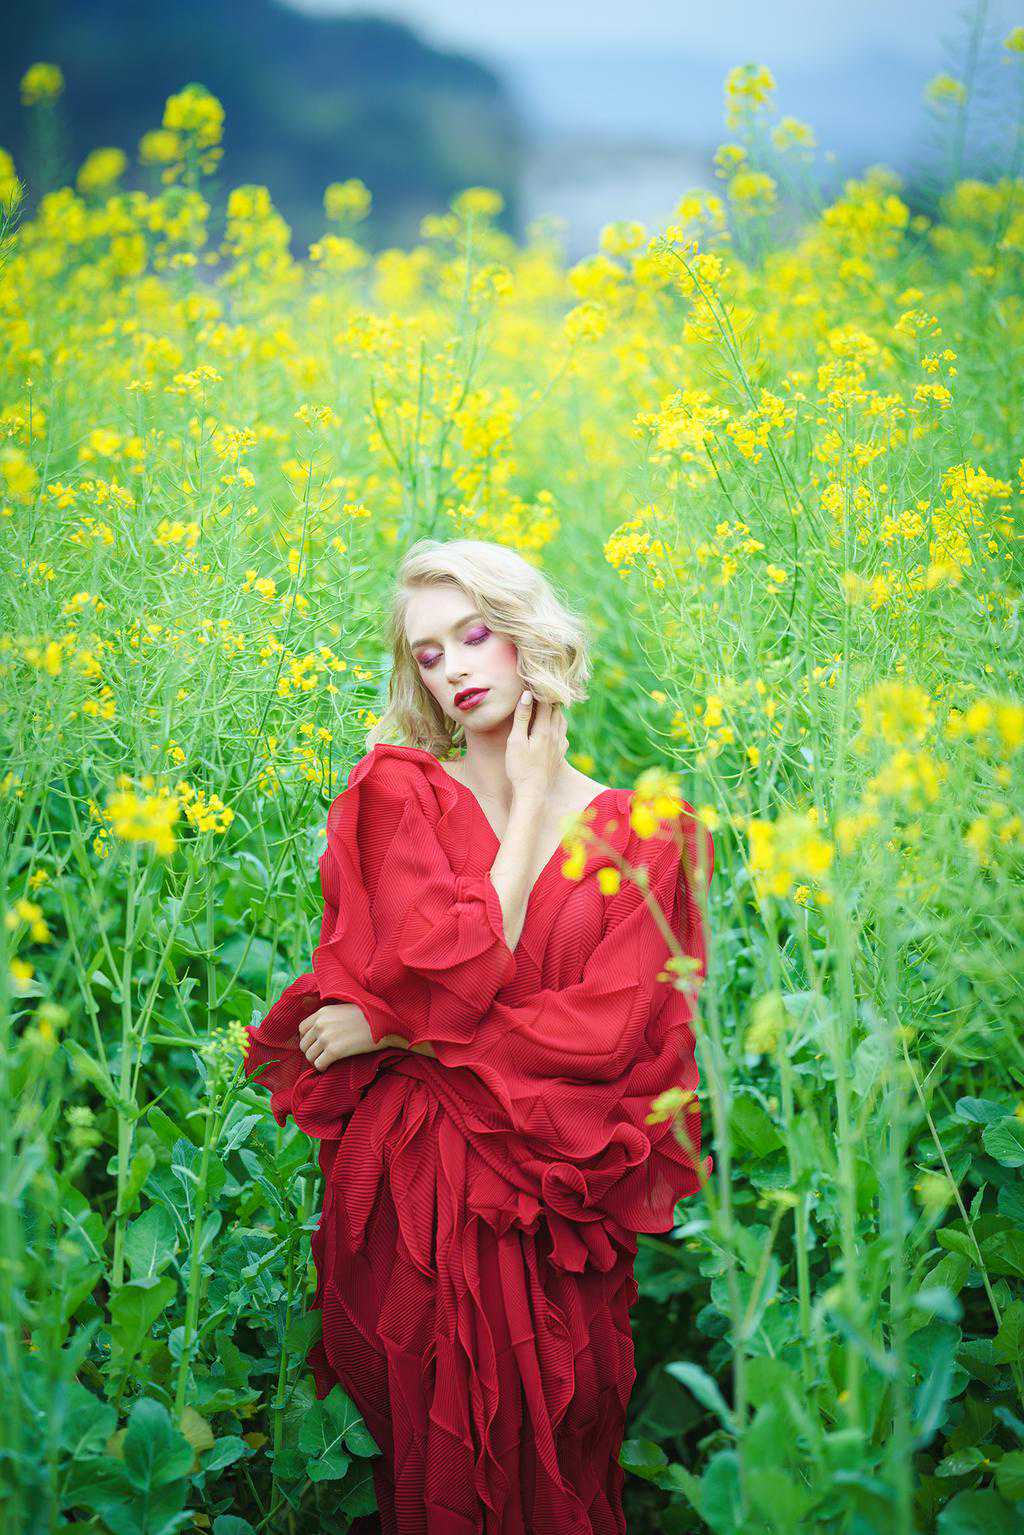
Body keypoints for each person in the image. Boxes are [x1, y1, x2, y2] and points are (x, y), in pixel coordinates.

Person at [243, 537, 714, 1534]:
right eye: (428, 653)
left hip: (554, 1200)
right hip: (412, 1193)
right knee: (415, 1460)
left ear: (526, 636)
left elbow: (605, 1039)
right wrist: (430, 999)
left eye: (474, 635)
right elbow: (451, 965)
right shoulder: (398, 794)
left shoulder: (650, 833)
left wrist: (395, 1032)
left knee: (560, 1447)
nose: (454, 667)